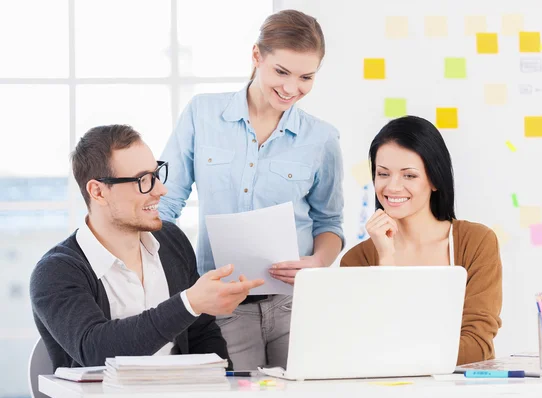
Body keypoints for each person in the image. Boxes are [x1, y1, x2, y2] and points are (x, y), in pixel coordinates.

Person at [159, 9, 344, 369]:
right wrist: (177, 283)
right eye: (282, 72)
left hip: (295, 305)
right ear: (257, 56)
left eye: (306, 77)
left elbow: (330, 222)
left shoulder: (322, 138)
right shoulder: (202, 114)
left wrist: (318, 262)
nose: (292, 88)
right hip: (223, 306)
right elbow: (165, 205)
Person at [30, 124, 263, 370]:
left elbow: (202, 334)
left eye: (156, 174)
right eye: (143, 180)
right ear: (97, 191)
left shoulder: (171, 242)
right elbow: (96, 351)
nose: (161, 190)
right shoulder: (56, 272)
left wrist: (223, 386)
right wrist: (189, 303)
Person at [340, 116, 502, 366]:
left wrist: (396, 351)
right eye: (383, 173)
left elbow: (477, 346)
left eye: (409, 176)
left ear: (435, 179)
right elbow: (361, 346)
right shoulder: (357, 260)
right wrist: (386, 259)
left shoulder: (476, 242)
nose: (392, 187)